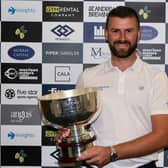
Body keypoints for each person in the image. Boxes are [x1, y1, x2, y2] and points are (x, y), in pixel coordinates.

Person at [56, 6, 168, 168]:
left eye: (129, 31)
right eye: (115, 31)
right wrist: (68, 136)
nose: (122, 38)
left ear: (139, 34)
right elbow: (79, 128)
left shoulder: (156, 78)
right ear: (106, 34)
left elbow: (163, 136)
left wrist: (112, 152)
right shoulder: (88, 77)